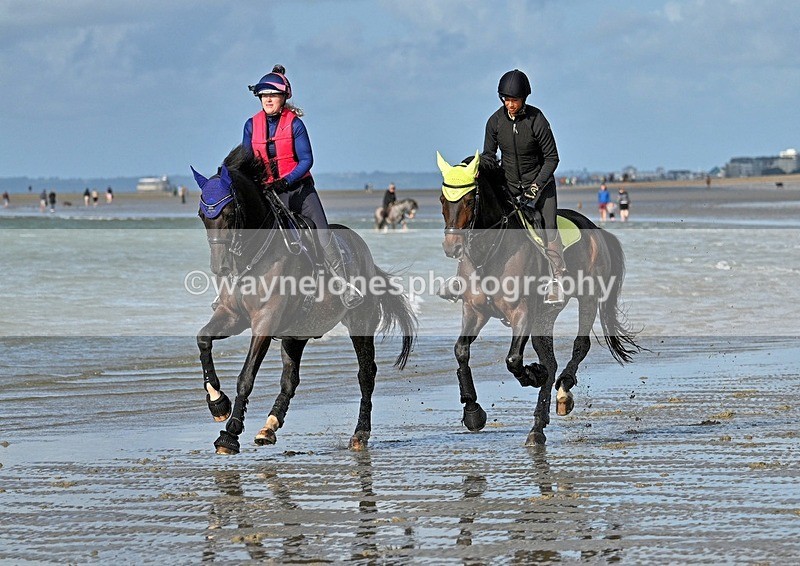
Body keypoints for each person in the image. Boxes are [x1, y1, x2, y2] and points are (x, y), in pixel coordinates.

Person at [242, 64, 362, 308]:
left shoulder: (295, 124)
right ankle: (230, 289)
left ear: (284, 97)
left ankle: (343, 283)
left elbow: (307, 159)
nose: (268, 100)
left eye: (273, 95)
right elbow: (246, 160)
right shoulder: (250, 125)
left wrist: (286, 180)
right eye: (264, 96)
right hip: (268, 193)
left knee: (322, 232)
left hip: (298, 191)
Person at [480, 68, 565, 304]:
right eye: (506, 99)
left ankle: (557, 280)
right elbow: (489, 157)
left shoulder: (537, 120)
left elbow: (552, 158)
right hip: (510, 187)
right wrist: (476, 169)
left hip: (540, 185)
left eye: (514, 100)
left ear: (524, 99)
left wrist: (536, 187)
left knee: (548, 227)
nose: (510, 105)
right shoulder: (494, 122)